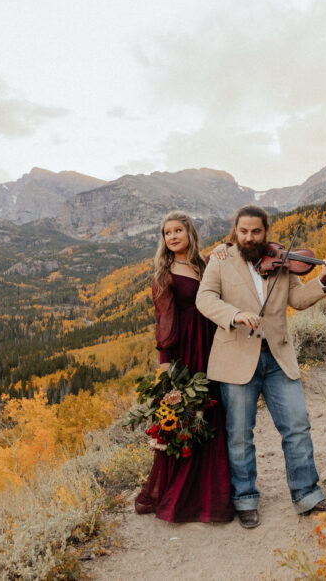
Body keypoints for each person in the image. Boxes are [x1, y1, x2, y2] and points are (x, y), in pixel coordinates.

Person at [195, 205, 326, 529]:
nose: (249, 237)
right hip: (237, 357)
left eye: (256, 232)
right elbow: (204, 299)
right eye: (243, 231)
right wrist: (234, 315)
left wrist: (325, 279)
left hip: (278, 356)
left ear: (266, 232)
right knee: (239, 435)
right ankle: (245, 500)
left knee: (297, 426)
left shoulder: (281, 261)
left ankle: (308, 496)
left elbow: (299, 300)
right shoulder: (220, 259)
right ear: (235, 230)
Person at [134, 211, 235, 523]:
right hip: (186, 352)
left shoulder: (203, 264)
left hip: (213, 345)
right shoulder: (164, 275)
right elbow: (163, 323)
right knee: (188, 420)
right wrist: (166, 368)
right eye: (167, 233)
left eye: (178, 230)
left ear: (190, 232)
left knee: (213, 415)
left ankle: (213, 494)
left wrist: (221, 248)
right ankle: (183, 497)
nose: (173, 236)